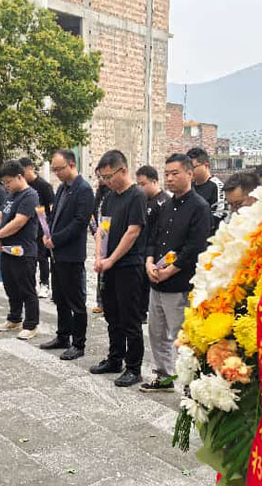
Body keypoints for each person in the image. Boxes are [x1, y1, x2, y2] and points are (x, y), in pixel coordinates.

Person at [140, 154, 210, 392]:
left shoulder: (199, 207)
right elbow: (152, 237)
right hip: (156, 281)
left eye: (175, 173)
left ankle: (191, 383)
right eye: (166, 173)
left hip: (180, 283)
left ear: (190, 174)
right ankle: (163, 376)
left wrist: (170, 271)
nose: (169, 178)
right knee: (156, 333)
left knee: (182, 337)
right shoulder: (165, 206)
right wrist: (149, 262)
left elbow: (195, 247)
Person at [89, 150, 147, 387]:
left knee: (129, 318)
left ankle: (133, 368)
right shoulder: (110, 197)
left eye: (108, 176)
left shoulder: (137, 196)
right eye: (103, 177)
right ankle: (115, 359)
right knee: (111, 314)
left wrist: (112, 259)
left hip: (128, 266)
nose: (106, 181)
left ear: (123, 170)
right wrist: (100, 256)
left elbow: (133, 232)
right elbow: (103, 229)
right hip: (109, 266)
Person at [40, 149, 94, 360]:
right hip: (57, 253)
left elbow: (80, 223)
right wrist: (47, 236)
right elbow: (54, 217)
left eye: (60, 169)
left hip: (71, 254)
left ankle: (78, 343)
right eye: (54, 170)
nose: (57, 173)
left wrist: (57, 238)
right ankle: (63, 335)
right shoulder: (62, 189)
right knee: (60, 298)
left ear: (72, 164)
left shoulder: (84, 189)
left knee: (76, 300)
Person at [0, 160, 40, 340]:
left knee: (26, 288)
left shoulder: (30, 195)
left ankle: (31, 324)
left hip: (23, 250)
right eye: (4, 182)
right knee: (10, 286)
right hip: (7, 249)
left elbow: (19, 222)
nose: (7, 185)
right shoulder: (10, 195)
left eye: (9, 181)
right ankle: (14, 318)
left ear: (20, 177)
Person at [135, 164, 169, 322]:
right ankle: (140, 312)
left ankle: (144, 313)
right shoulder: (144, 201)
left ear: (154, 182)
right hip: (141, 248)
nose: (141, 188)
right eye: (138, 185)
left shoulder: (163, 202)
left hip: (154, 252)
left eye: (143, 184)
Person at [21, 157, 55, 298]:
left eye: (22, 172)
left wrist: (49, 227)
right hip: (29, 227)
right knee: (30, 257)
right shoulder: (24, 187)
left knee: (42, 257)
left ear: (30, 168)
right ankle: (30, 284)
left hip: (42, 226)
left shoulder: (44, 186)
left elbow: (52, 207)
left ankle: (44, 284)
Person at [187, 147, 225, 236]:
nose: (190, 172)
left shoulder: (217, 186)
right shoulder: (189, 186)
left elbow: (219, 215)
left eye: (193, 167)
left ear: (206, 166)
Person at [91, 176, 111, 314]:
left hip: (109, 234)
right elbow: (92, 214)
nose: (100, 179)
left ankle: (107, 301)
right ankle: (100, 301)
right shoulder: (99, 195)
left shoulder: (112, 195)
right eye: (98, 176)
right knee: (100, 269)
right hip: (100, 233)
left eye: (102, 176)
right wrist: (94, 231)